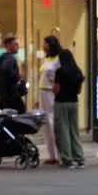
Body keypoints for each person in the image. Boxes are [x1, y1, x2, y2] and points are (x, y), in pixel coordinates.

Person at [52, 47, 86, 168]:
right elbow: (79, 91)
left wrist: (53, 89)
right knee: (74, 130)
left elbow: (56, 89)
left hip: (61, 102)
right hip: (74, 102)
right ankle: (79, 157)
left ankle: (67, 158)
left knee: (63, 131)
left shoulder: (60, 72)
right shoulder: (78, 71)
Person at [38, 36, 62, 164]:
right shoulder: (47, 58)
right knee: (46, 124)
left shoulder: (58, 59)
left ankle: (59, 154)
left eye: (45, 43)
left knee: (52, 122)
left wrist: (53, 80)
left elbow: (58, 77)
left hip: (50, 92)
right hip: (42, 92)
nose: (43, 45)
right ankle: (51, 154)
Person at [0, 35, 25, 113]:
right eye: (15, 44)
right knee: (20, 111)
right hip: (11, 95)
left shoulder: (0, 59)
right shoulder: (9, 58)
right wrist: (18, 78)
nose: (18, 46)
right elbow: (7, 70)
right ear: (8, 45)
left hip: (2, 95)